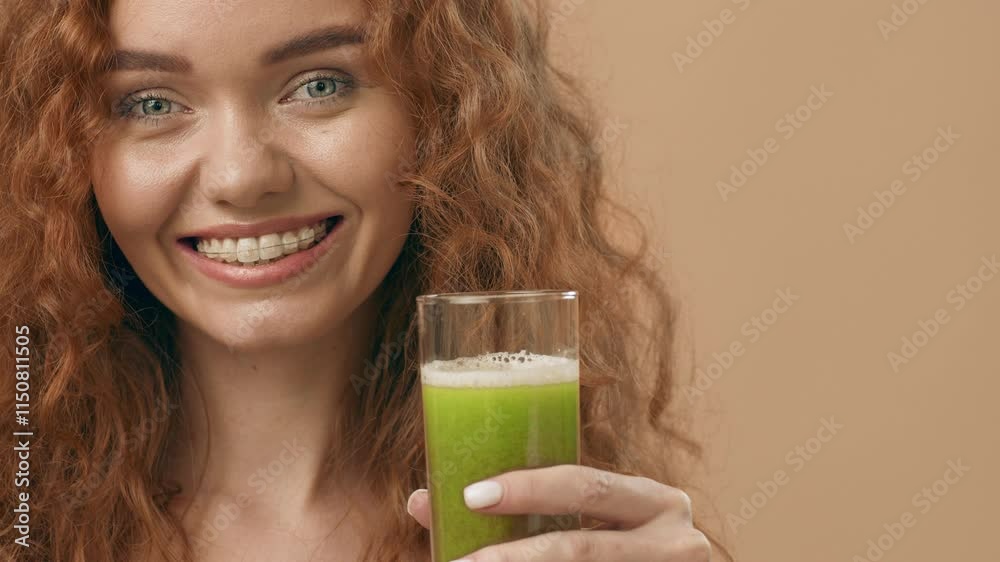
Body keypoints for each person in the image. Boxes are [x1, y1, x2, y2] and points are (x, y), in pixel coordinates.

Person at [0, 0, 731, 560]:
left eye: (319, 84)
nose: (241, 176)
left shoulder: (546, 530)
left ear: (441, 113)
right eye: (151, 102)